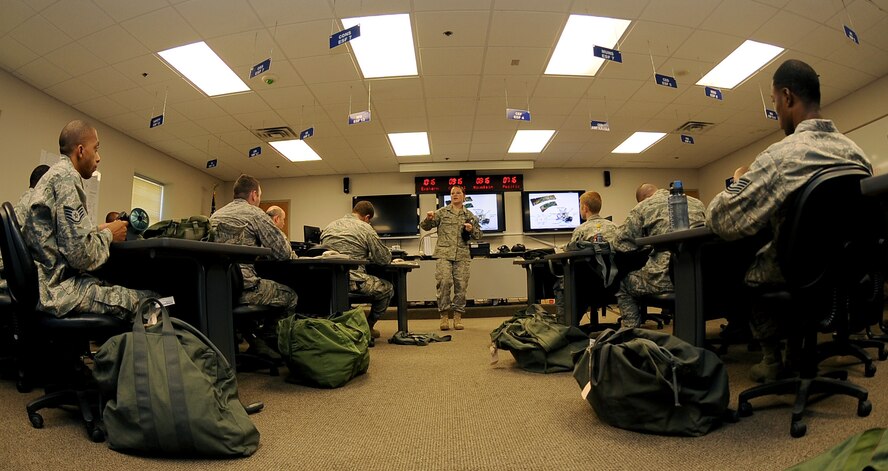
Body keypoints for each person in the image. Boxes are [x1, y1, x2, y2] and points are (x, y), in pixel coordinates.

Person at [707, 59, 872, 383]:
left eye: (774, 103)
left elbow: (721, 219)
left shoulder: (781, 157)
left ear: (787, 97)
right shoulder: (857, 155)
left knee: (746, 266)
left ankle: (772, 358)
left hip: (794, 271)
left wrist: (739, 179)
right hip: (846, 271)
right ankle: (796, 351)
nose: (777, 112)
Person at [22, 120, 157, 320]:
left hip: (43, 282)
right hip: (56, 290)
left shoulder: (55, 175)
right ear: (81, 150)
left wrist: (98, 229)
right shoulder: (67, 179)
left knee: (108, 285)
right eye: (96, 149)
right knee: (148, 299)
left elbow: (62, 235)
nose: (99, 157)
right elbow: (81, 256)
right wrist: (110, 234)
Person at [209, 174, 298, 360]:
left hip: (216, 288)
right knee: (290, 296)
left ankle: (254, 340)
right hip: (245, 288)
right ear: (254, 195)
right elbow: (283, 253)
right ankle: (266, 340)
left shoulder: (215, 216)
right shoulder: (255, 214)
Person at [611, 183, 706, 328]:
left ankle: (631, 335)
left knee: (623, 284)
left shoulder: (643, 207)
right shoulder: (696, 202)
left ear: (642, 199)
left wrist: (645, 243)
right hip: (703, 273)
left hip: (667, 277)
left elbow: (621, 243)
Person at [320, 201, 394, 343]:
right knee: (388, 289)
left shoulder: (329, 226)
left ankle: (344, 326)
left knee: (341, 295)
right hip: (353, 281)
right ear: (367, 217)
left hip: (329, 281)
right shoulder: (365, 227)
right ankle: (368, 327)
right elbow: (383, 259)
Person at [420, 185, 482, 331]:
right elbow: (426, 227)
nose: (455, 195)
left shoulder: (470, 215)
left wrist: (471, 230)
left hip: (462, 255)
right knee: (444, 283)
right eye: (452, 193)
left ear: (464, 197)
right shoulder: (441, 212)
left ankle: (458, 317)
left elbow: (479, 235)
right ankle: (444, 316)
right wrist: (428, 219)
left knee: (461, 287)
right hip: (444, 254)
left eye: (458, 193)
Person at [554, 191, 619, 324]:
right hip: (614, 283)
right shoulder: (615, 227)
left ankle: (566, 326)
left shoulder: (581, 230)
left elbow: (570, 253)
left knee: (560, 284)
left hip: (587, 284)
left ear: (585, 208)